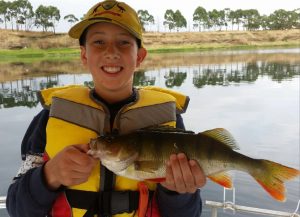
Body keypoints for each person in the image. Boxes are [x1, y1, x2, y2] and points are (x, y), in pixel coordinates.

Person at [6, 0, 206, 216]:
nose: (111, 52)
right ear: (84, 55)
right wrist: (49, 175)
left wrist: (179, 193)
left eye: (123, 42)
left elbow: (189, 213)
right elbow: (17, 208)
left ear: (139, 57)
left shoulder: (168, 118)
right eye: (99, 42)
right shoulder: (50, 116)